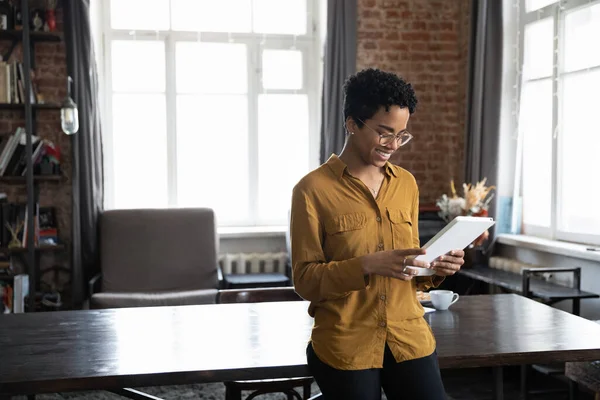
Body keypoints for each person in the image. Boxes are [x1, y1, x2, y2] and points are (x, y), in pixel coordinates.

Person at [290, 68, 465, 400]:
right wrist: (365, 265)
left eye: (401, 135)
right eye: (385, 133)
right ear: (352, 123)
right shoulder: (311, 190)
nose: (394, 145)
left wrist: (436, 268)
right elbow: (305, 280)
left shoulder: (406, 185)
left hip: (408, 335)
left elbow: (411, 270)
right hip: (346, 341)